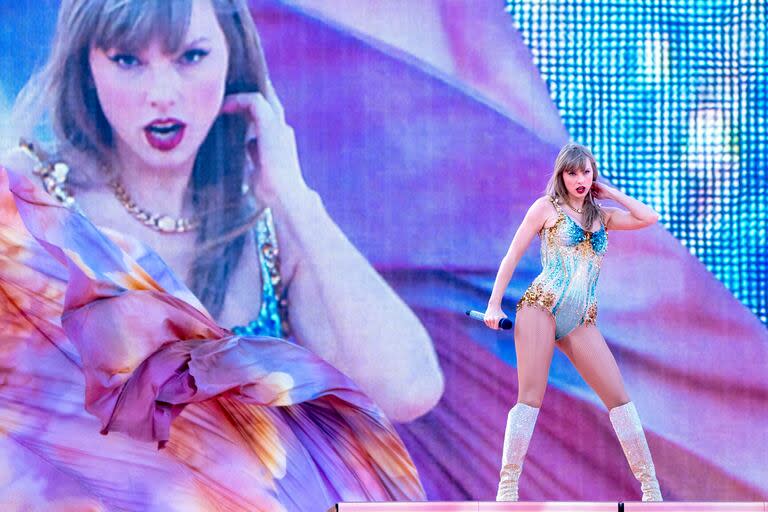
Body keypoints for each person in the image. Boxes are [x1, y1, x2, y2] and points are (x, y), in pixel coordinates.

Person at [0, 0, 443, 509]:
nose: (162, 95)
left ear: (233, 58)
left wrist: (296, 197)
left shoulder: (268, 232)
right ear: (87, 64)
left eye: (190, 56)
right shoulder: (34, 206)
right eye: (128, 60)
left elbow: (409, 389)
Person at [483, 143, 663, 502]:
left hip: (581, 318)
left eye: (586, 172)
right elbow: (511, 255)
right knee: (530, 397)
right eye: (572, 172)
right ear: (561, 176)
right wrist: (493, 305)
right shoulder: (546, 209)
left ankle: (651, 492)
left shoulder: (602, 215)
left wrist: (608, 191)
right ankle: (507, 490)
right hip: (541, 307)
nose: (580, 179)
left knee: (620, 400)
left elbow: (648, 217)